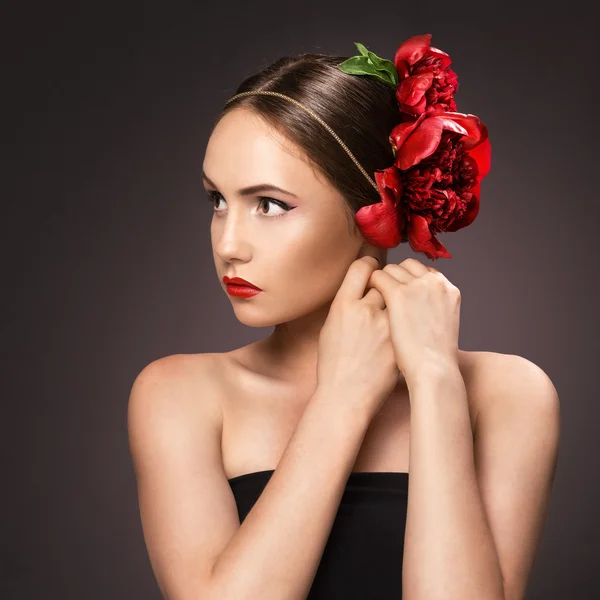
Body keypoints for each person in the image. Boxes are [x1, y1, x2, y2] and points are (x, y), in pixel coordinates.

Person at [128, 34, 560, 600]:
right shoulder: (180, 395)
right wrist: (342, 399)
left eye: (269, 204)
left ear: (374, 208)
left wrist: (435, 382)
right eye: (218, 201)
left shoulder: (508, 395)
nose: (229, 243)